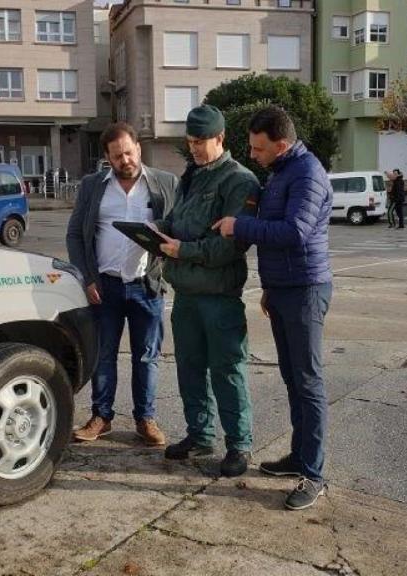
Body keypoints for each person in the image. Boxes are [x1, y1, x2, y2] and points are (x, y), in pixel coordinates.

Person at [212, 106, 334, 510]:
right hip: (284, 289)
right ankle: (299, 456)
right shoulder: (283, 171)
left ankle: (313, 475)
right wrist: (269, 287)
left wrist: (238, 226)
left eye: (258, 148)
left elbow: (295, 232)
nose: (253, 155)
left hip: (305, 290)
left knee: (309, 383)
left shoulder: (307, 173)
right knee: (292, 380)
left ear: (281, 144)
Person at [152, 104, 260, 477]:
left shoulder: (240, 181)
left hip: (219, 297)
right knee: (190, 367)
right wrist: (155, 230)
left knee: (227, 370)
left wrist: (184, 250)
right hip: (185, 294)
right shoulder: (192, 176)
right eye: (191, 141)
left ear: (221, 138)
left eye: (202, 141)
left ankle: (239, 445)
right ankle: (200, 435)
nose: (195, 148)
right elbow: (179, 220)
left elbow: (230, 245)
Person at [66, 122, 178, 446]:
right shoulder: (92, 186)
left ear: (138, 149)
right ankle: (102, 417)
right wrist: (86, 277)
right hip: (106, 287)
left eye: (129, 152)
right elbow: (75, 234)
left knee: (147, 357)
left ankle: (145, 419)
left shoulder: (165, 184)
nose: (125, 160)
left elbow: (178, 228)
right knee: (103, 356)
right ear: (107, 158)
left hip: (147, 287)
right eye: (117, 156)